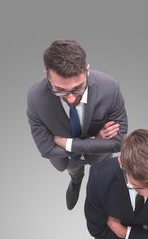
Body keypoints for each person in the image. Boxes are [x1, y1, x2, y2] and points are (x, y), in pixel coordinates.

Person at [27, 40, 128, 210]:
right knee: (75, 172)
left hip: (99, 157)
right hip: (68, 160)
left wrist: (68, 143)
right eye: (60, 89)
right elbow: (46, 149)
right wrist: (97, 140)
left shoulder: (110, 88)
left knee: (102, 179)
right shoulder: (35, 97)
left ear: (87, 70)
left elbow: (118, 142)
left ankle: (98, 195)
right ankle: (76, 181)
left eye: (78, 88)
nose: (72, 99)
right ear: (47, 75)